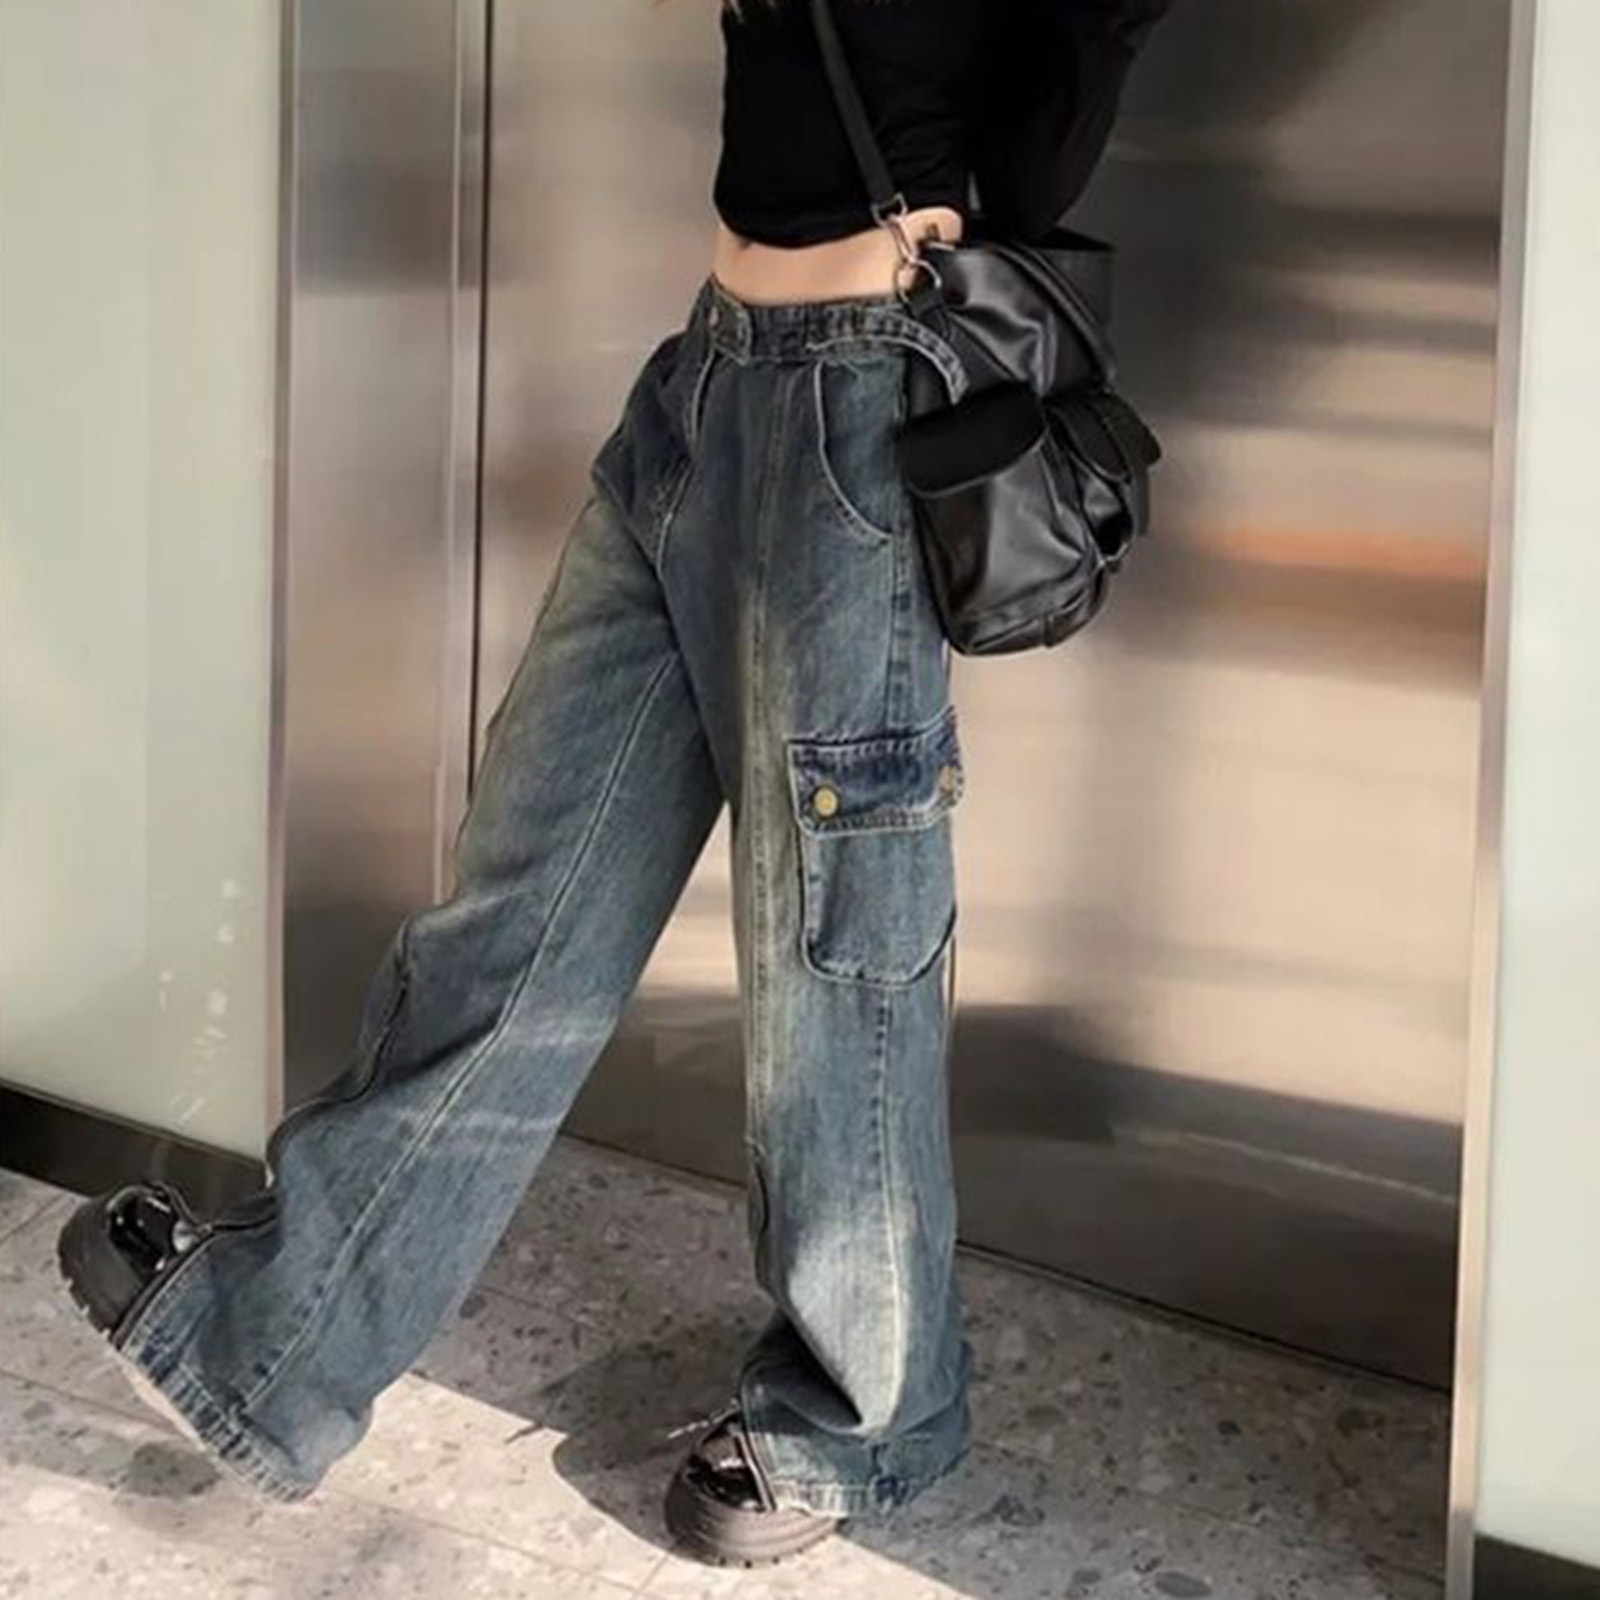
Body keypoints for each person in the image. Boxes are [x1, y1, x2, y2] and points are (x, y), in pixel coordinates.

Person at [56, 0, 1169, 1569]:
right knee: (524, 898)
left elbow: (1079, 69)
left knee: (837, 957)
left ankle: (868, 1419)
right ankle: (275, 1339)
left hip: (858, 403)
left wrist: (996, 172)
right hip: (710, 371)